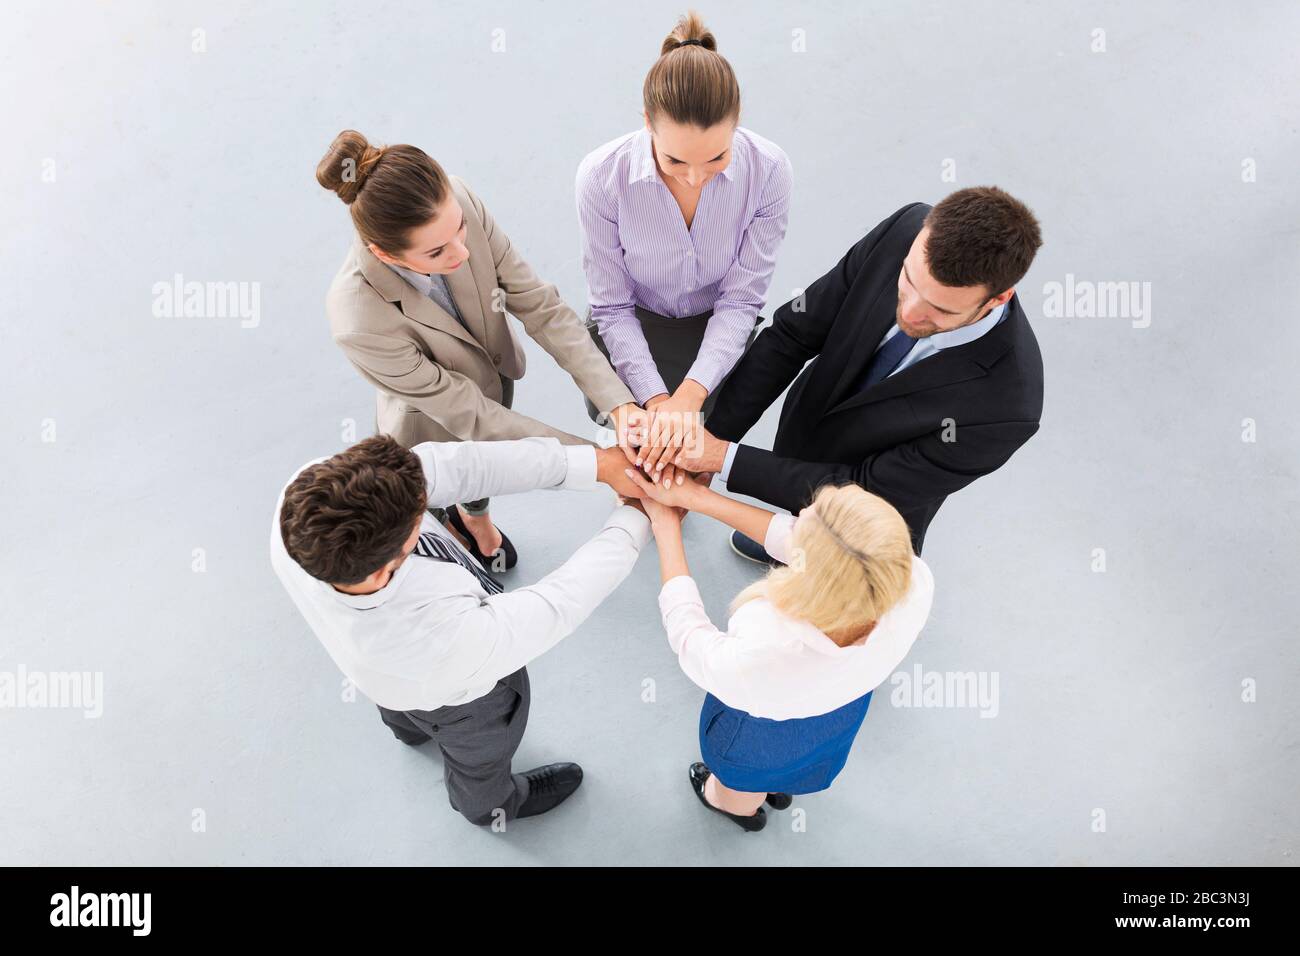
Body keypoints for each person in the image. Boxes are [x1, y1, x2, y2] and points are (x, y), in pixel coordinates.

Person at [270, 434, 652, 827]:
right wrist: (636, 517)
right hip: (460, 706)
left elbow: (461, 466)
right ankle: (492, 806)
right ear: (386, 565)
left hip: (382, 678)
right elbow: (559, 602)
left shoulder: (303, 499)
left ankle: (409, 732)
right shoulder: (441, 640)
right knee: (482, 756)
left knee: (401, 709)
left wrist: (595, 465)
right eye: (422, 514)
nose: (432, 494)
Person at [317, 129, 646, 572]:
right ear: (382, 252)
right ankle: (449, 525)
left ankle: (476, 517)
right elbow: (470, 415)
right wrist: (600, 462)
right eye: (437, 251)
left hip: (492, 379)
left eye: (461, 231)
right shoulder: (357, 319)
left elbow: (542, 308)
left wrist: (621, 406)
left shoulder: (458, 198)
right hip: (431, 425)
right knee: (430, 498)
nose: (462, 251)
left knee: (487, 472)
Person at [672, 186, 1045, 558]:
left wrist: (722, 458)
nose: (910, 313)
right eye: (908, 280)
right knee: (793, 518)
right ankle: (791, 525)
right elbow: (792, 335)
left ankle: (803, 543)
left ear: (998, 298)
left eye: (940, 310)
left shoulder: (1008, 408)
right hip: (806, 432)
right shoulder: (905, 228)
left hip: (868, 522)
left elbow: (864, 490)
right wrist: (707, 439)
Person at [620, 466, 933, 832]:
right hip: (840, 713)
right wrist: (697, 498)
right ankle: (780, 788)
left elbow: (691, 639)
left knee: (738, 783)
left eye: (802, 519)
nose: (796, 517)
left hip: (759, 735)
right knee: (800, 766)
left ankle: (736, 808)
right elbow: (827, 554)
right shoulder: (913, 579)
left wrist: (665, 527)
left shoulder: (767, 643)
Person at [576, 11, 792, 477]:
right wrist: (656, 401)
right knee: (634, 471)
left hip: (715, 330)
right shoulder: (600, 176)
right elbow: (612, 308)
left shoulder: (770, 171)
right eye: (675, 159)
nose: (695, 177)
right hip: (631, 327)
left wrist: (690, 397)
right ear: (647, 121)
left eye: (717, 157)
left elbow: (741, 300)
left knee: (692, 467)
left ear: (737, 124)